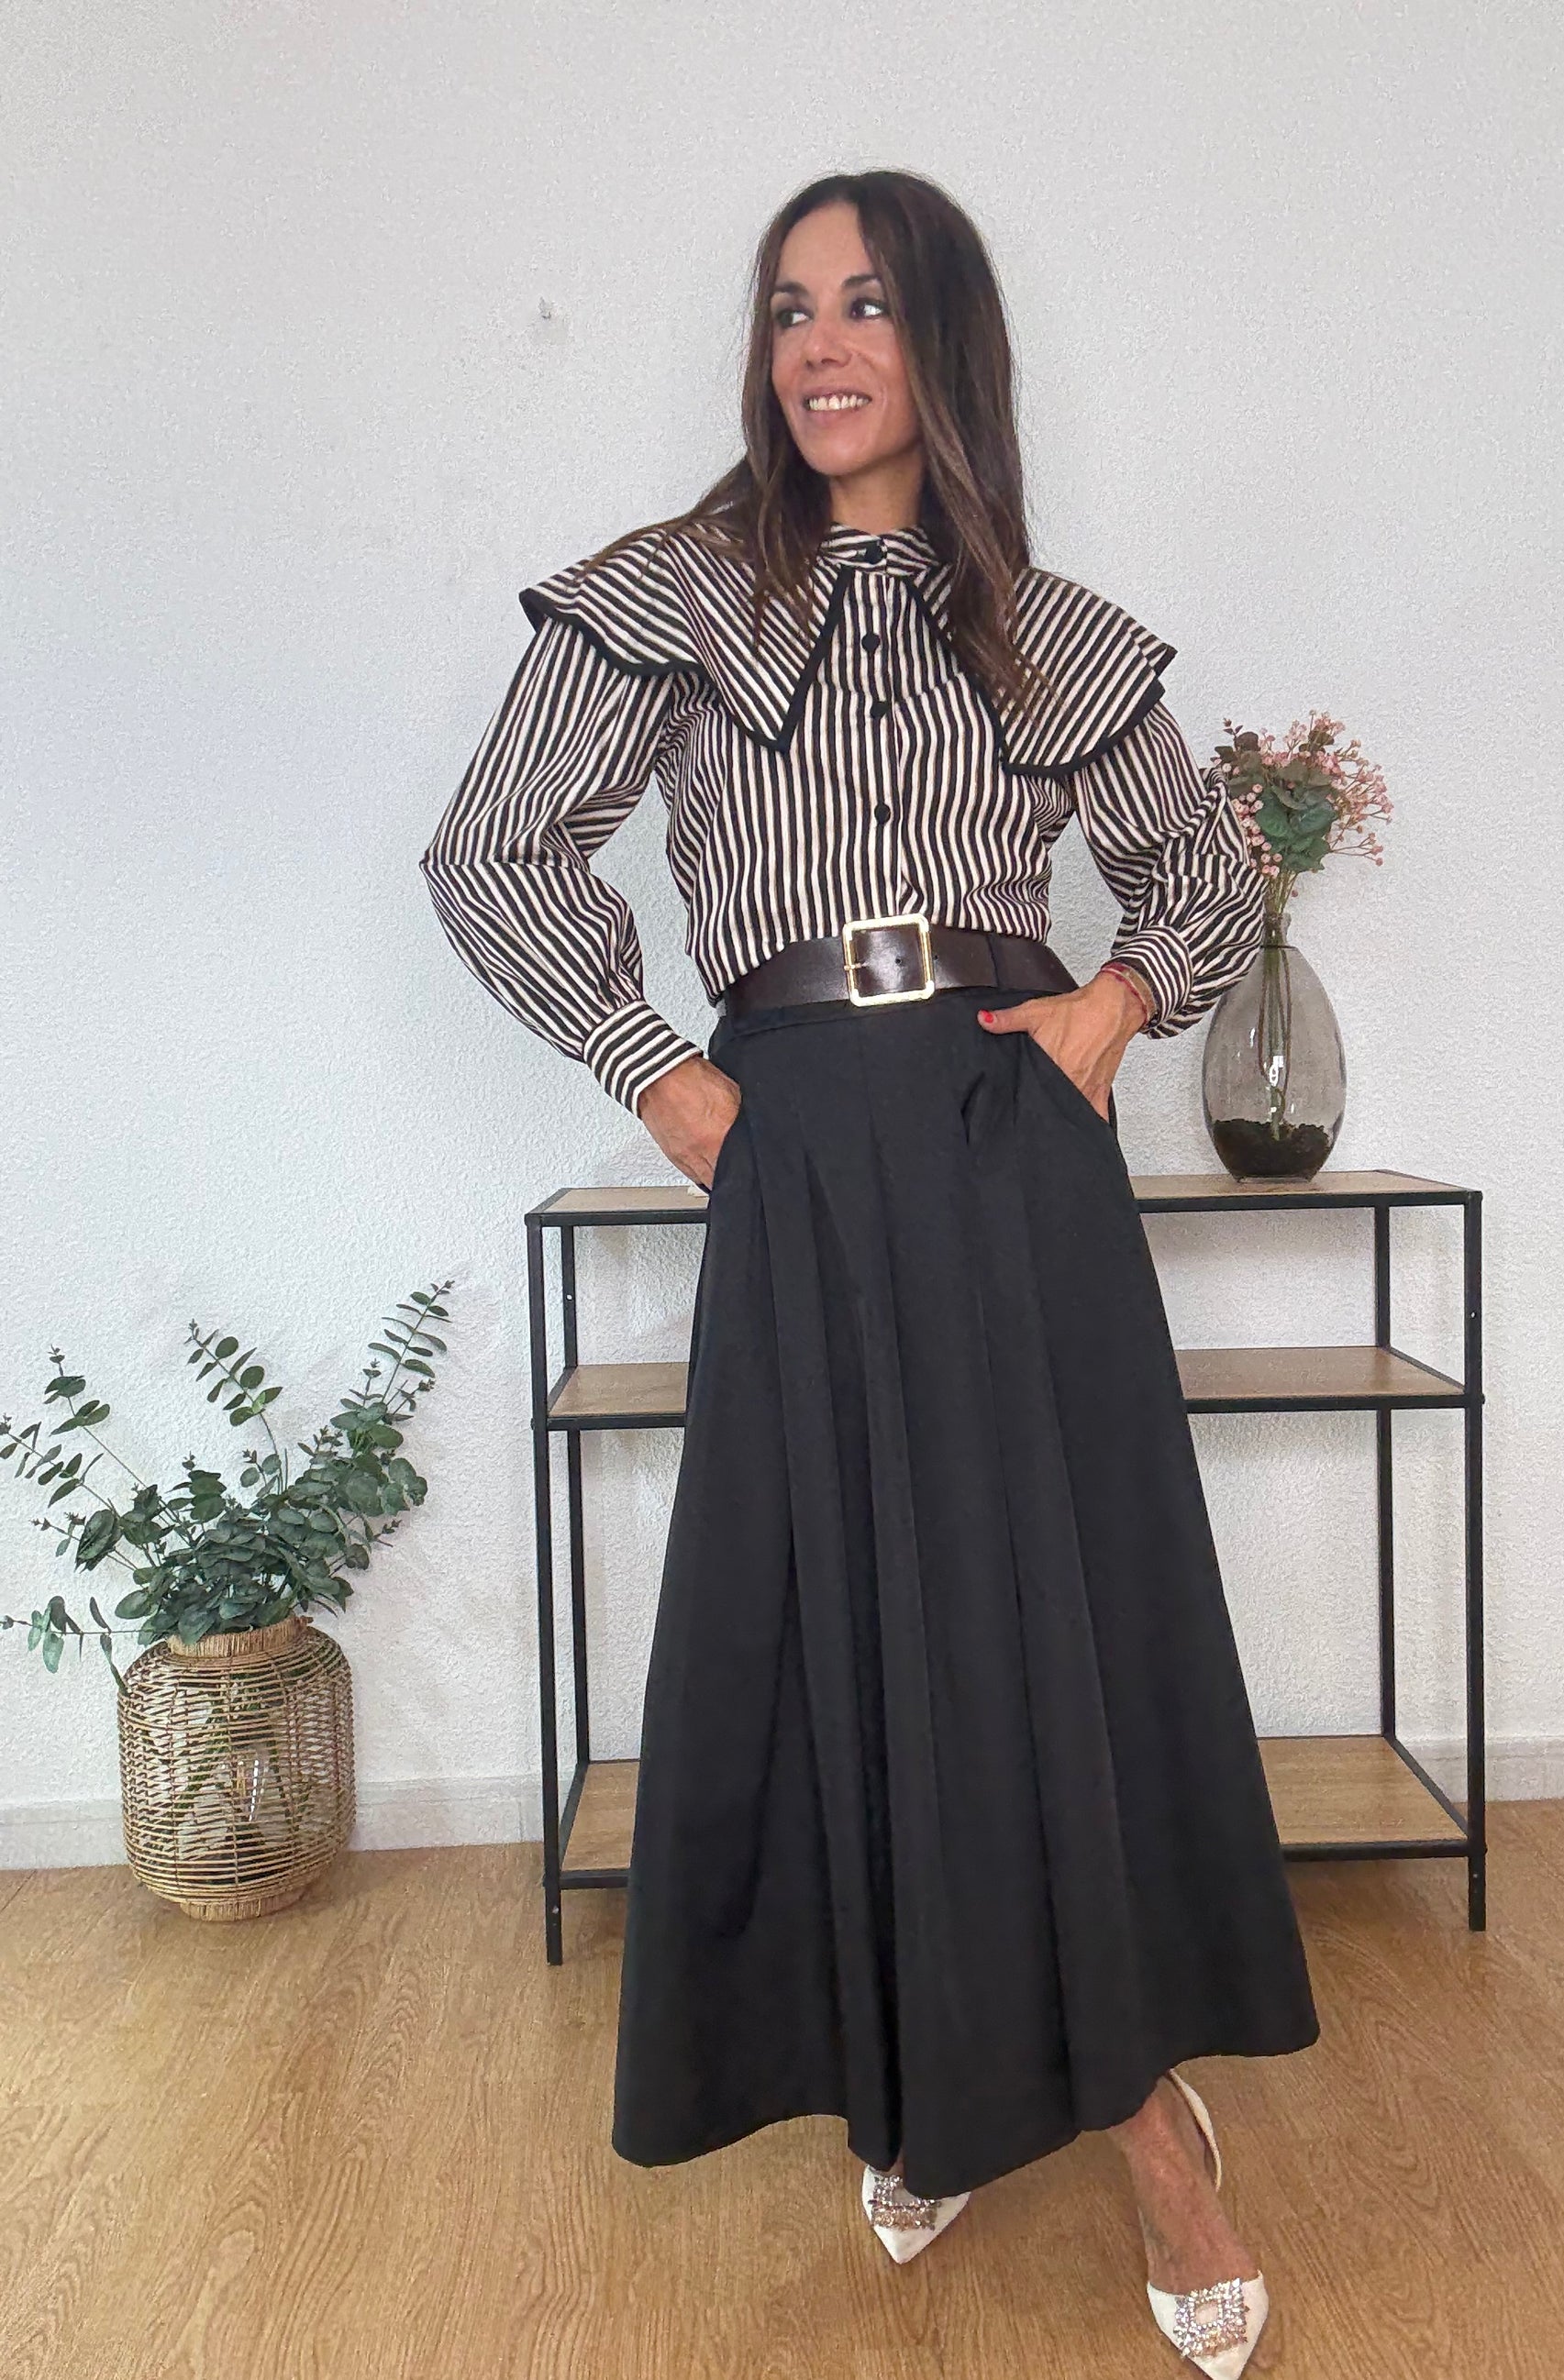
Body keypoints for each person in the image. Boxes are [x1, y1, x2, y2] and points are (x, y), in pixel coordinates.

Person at [420, 167, 1319, 2375]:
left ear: (943, 345)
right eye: (788, 308)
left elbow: (1198, 877)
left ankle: (1151, 2135)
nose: (820, 346)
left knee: (1042, 1624)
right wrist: (652, 1065)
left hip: (1009, 1138)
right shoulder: (672, 597)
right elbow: (490, 847)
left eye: (866, 306)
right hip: (801, 1138)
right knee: (837, 1616)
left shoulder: (1045, 624)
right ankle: (919, 2083)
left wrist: (1114, 1007)